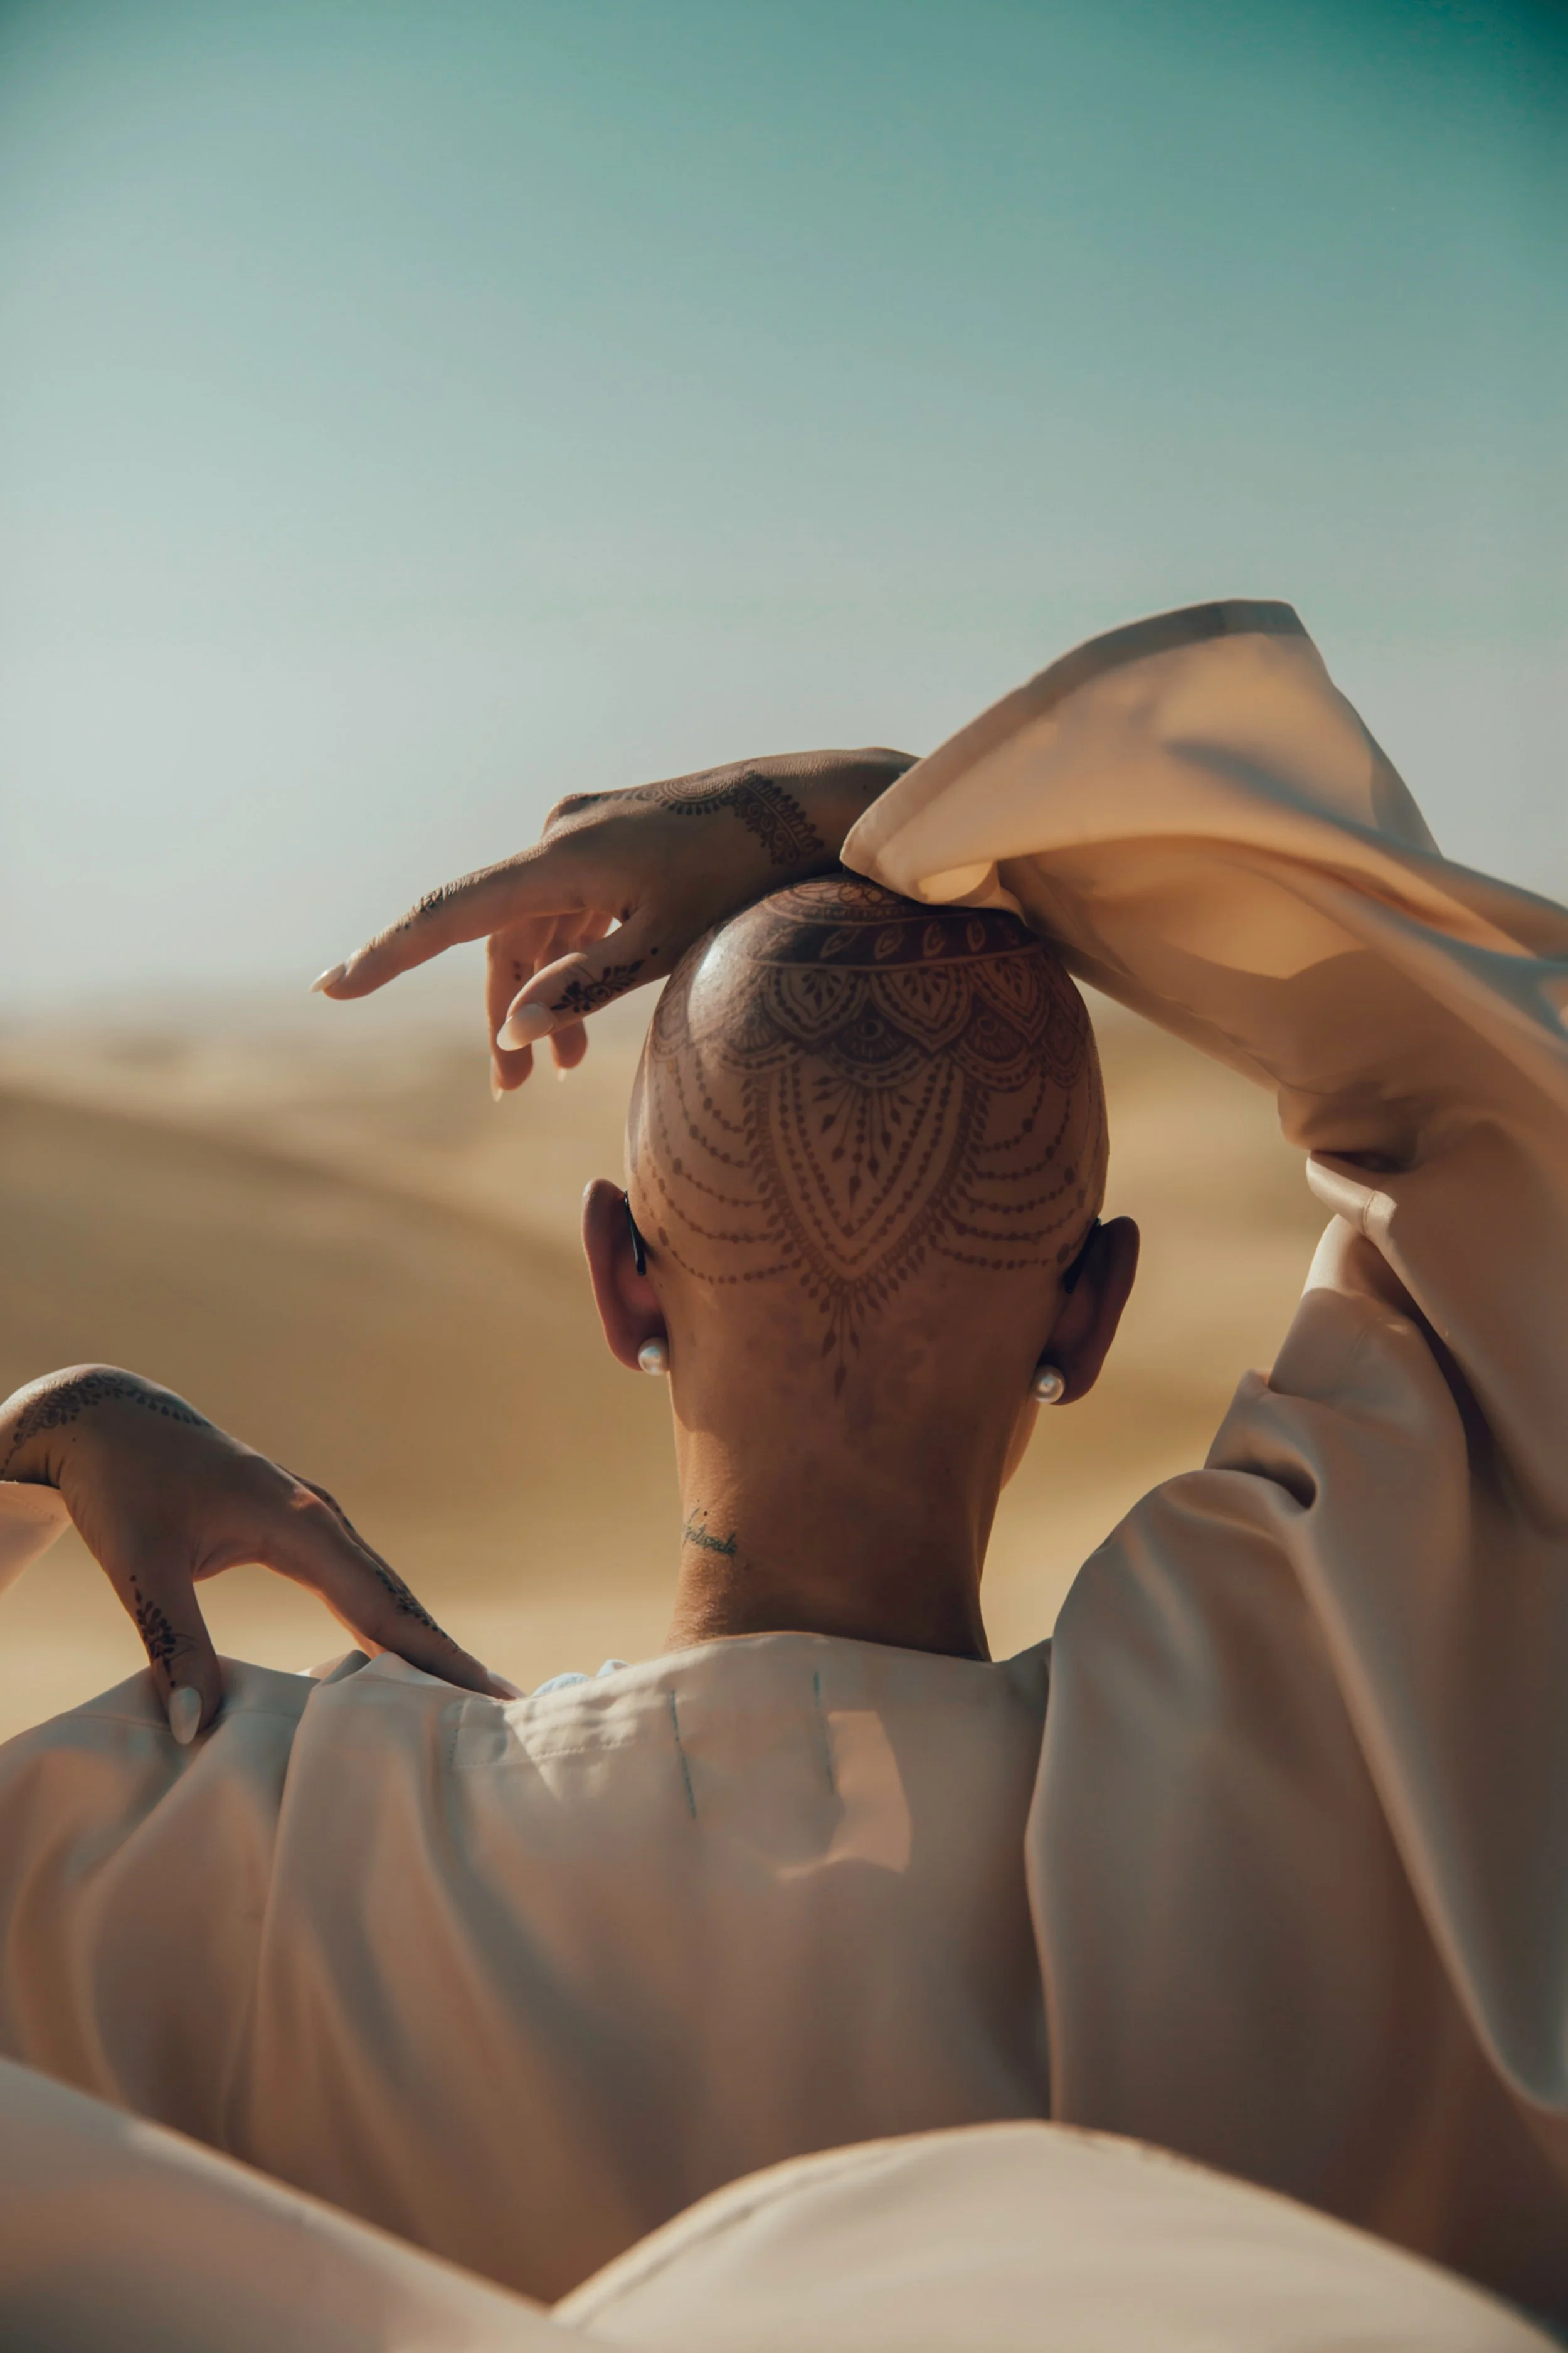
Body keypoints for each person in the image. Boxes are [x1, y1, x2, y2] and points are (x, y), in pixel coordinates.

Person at [1, 599, 1565, 2327]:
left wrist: (27, 1455)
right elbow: (1511, 1093)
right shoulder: (1329, 1764)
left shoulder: (255, 1860)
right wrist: (859, 810)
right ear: (1093, 1311)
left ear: (616, 1274)